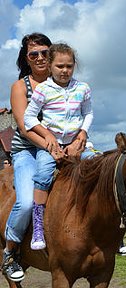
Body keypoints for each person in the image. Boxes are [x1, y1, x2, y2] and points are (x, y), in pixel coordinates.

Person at [24, 43, 93, 251]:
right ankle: (38, 225)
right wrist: (47, 138)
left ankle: (111, 227)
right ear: (50, 66)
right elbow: (28, 116)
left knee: (98, 168)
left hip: (77, 143)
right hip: (51, 146)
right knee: (43, 174)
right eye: (60, 66)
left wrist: (82, 134)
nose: (65, 71)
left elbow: (88, 113)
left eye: (69, 66)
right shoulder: (43, 90)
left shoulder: (83, 88)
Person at [1, 33, 53, 282]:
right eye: (35, 54)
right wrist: (51, 146)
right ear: (27, 58)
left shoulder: (62, 81)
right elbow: (24, 127)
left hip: (59, 148)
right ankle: (10, 252)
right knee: (26, 202)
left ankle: (116, 235)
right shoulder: (20, 87)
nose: (41, 58)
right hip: (28, 151)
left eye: (45, 52)